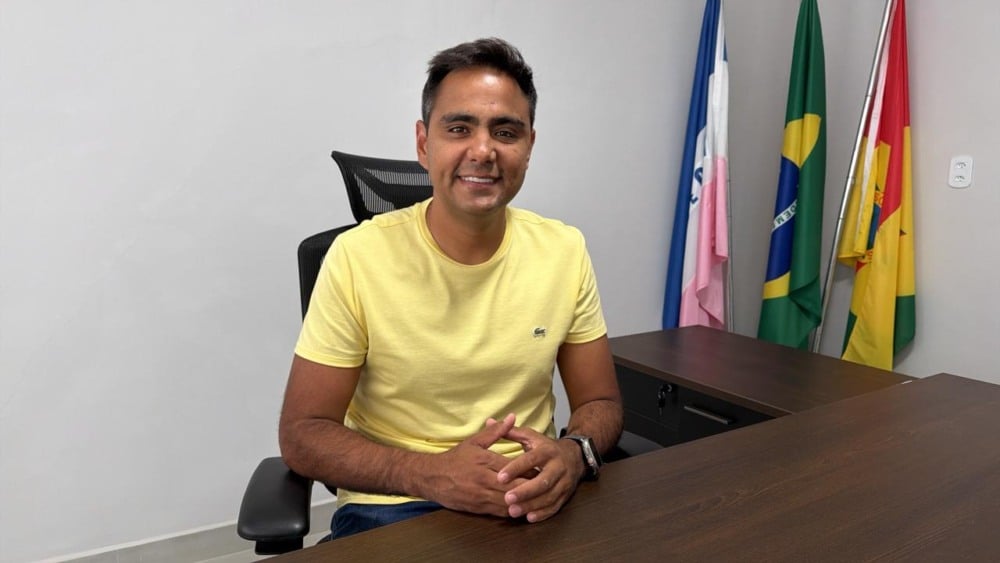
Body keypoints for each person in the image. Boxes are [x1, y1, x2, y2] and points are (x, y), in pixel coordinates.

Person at [278, 37, 623, 539]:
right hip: (396, 507)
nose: (483, 150)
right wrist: (431, 474)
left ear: (529, 147)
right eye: (459, 128)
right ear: (424, 144)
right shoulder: (357, 257)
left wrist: (574, 454)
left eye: (505, 131)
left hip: (531, 500)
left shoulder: (564, 250)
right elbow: (303, 434)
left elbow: (601, 403)